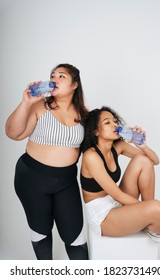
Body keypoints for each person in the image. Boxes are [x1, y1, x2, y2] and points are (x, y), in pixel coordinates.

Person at [5, 63, 89, 260]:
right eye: (53, 75)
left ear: (74, 84)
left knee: (75, 236)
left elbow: (97, 146)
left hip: (66, 182)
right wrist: (26, 102)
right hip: (31, 179)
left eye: (62, 76)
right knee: (40, 231)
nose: (54, 79)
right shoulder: (40, 106)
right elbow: (13, 133)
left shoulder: (84, 115)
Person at [80, 106, 160, 252]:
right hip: (103, 216)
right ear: (96, 132)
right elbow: (118, 194)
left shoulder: (119, 146)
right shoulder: (91, 156)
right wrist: (148, 210)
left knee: (143, 160)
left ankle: (151, 223)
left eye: (114, 121)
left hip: (117, 201)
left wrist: (143, 146)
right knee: (158, 209)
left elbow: (154, 161)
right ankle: (159, 225)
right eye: (107, 122)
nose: (114, 124)